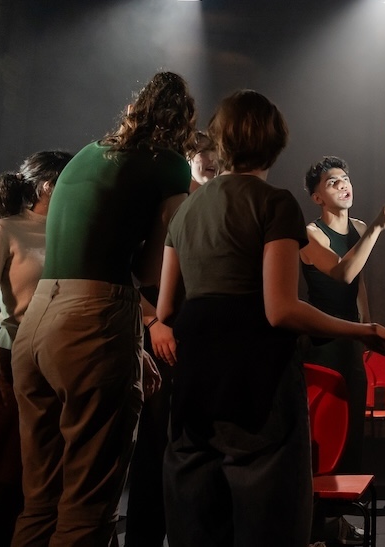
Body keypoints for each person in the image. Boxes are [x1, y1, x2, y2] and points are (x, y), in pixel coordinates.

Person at [154, 90, 385, 547]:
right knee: (268, 520)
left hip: (195, 380)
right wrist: (363, 331)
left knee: (199, 520)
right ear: (275, 141)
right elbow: (281, 308)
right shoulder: (275, 203)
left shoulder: (186, 210)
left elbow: (166, 308)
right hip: (256, 377)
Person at [10, 71, 194, 547]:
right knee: (87, 508)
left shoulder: (87, 154)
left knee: (39, 501)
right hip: (92, 318)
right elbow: (151, 268)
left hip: (36, 323)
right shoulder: (172, 166)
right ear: (182, 123)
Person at [0, 150, 72, 547]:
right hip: (13, 362)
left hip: (65, 365)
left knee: (58, 474)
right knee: (12, 470)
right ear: (47, 186)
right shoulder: (4, 230)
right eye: (69, 181)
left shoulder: (74, 229)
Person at [125, 129, 221, 547]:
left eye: (219, 152)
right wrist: (151, 322)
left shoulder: (215, 204)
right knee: (157, 442)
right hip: (161, 329)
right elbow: (123, 269)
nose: (212, 159)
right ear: (186, 158)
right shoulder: (166, 203)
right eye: (203, 152)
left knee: (193, 440)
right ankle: (145, 536)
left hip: (198, 332)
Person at [300, 156, 385, 545]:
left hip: (351, 342)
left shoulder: (359, 228)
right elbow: (342, 271)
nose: (343, 185)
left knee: (350, 439)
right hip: (322, 344)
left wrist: (368, 333)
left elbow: (357, 287)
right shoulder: (311, 234)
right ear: (317, 197)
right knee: (321, 438)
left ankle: (336, 524)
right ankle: (314, 527)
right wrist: (376, 228)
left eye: (345, 178)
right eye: (332, 182)